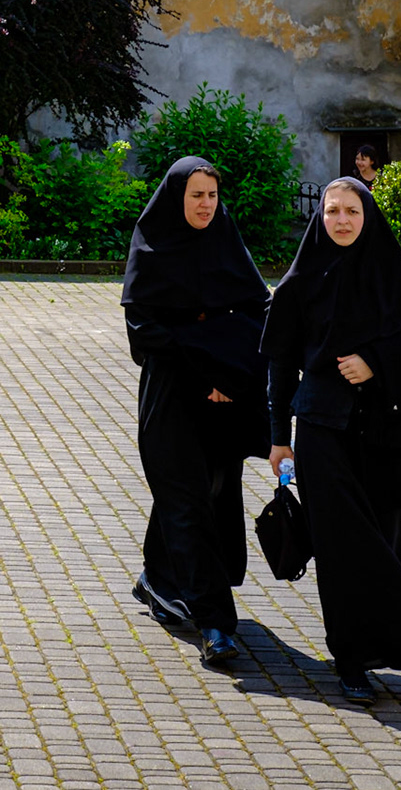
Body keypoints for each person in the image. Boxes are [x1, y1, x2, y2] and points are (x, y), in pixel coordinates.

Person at [262, 177, 401, 705]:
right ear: (320, 217)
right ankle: (350, 658)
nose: (341, 220)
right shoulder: (301, 282)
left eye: (351, 211)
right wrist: (279, 439)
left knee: (387, 539)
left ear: (366, 216)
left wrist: (377, 362)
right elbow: (279, 362)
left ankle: (376, 646)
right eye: (331, 211)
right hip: (321, 429)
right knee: (344, 548)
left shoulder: (391, 276)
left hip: (382, 433)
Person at [122, 157, 272, 668]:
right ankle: (215, 625)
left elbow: (258, 308)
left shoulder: (224, 239)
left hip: (222, 396)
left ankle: (156, 580)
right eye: (196, 195)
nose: (205, 204)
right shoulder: (152, 244)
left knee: (209, 491)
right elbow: (143, 335)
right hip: (172, 396)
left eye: (212, 195)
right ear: (176, 198)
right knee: (186, 500)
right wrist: (210, 360)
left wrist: (228, 376)